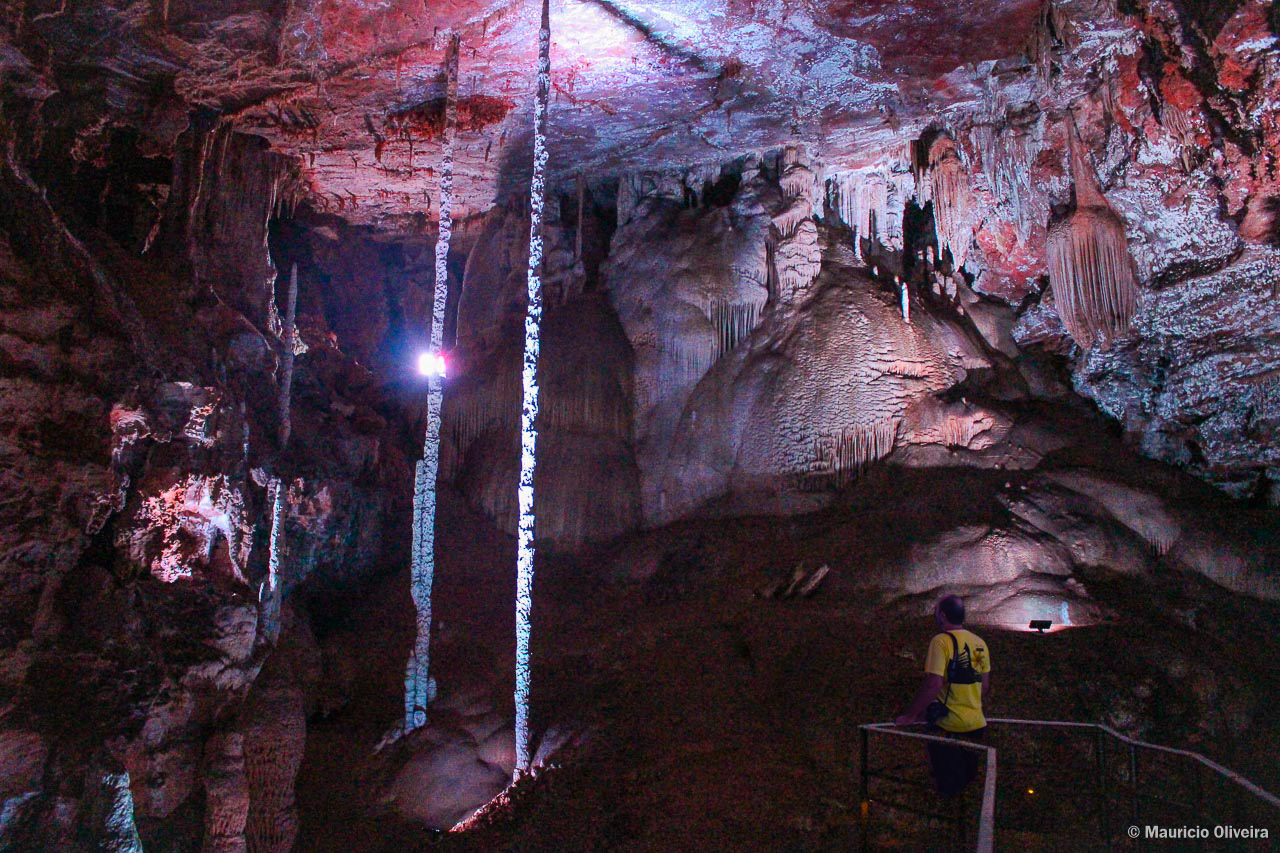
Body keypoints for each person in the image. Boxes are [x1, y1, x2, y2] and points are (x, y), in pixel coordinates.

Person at [894, 594, 991, 798]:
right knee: (968, 785)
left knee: (947, 787)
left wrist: (911, 715)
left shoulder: (941, 642)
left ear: (943, 616)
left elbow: (933, 684)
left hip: (949, 726)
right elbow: (984, 686)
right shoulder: (980, 642)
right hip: (976, 725)